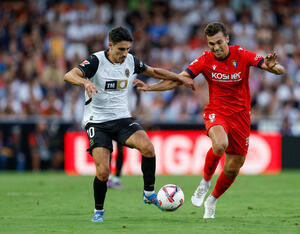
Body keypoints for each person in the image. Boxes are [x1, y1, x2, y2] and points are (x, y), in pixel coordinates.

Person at [135, 22, 285, 219]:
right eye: (211, 43)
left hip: (241, 117)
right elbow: (178, 79)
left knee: (233, 168)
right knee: (221, 144)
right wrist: (151, 88)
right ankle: (204, 182)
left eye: (219, 42)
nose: (215, 47)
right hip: (217, 112)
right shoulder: (205, 60)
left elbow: (275, 68)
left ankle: (212, 200)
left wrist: (274, 68)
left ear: (227, 40)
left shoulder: (241, 54)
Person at [64, 26, 194, 223]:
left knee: (148, 148)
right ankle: (98, 211)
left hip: (122, 119)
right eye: (121, 49)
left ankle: (149, 193)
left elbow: (154, 71)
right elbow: (69, 75)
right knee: (103, 172)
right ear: (110, 45)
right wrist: (85, 83)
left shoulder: (131, 61)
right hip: (97, 122)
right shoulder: (96, 60)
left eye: (127, 49)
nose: (125, 54)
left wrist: (180, 78)